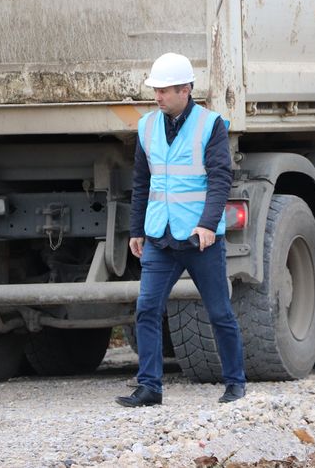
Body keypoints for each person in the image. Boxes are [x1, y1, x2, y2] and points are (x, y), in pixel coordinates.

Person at [116, 52, 245, 407]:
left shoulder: (210, 125)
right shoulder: (146, 127)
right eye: (155, 90)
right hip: (160, 236)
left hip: (199, 239)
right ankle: (149, 387)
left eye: (165, 90)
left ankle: (235, 383)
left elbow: (220, 179)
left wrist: (207, 224)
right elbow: (142, 182)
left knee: (219, 311)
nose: (157, 97)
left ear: (186, 89)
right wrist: (136, 229)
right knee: (146, 308)